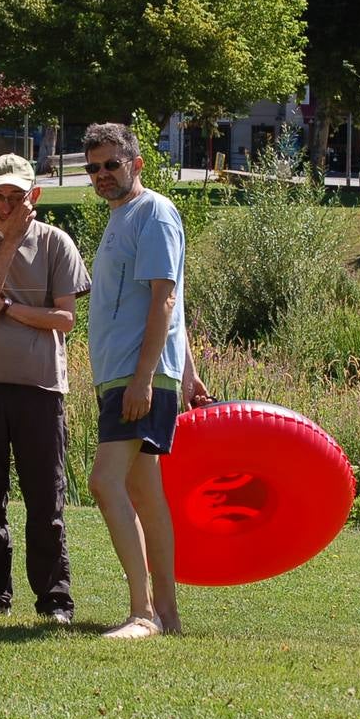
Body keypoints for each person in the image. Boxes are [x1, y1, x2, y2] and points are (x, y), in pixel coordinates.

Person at [82, 123, 208, 641]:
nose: (102, 175)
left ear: (136, 163)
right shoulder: (121, 217)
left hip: (138, 376)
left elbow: (165, 298)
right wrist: (191, 372)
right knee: (145, 494)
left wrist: (143, 380)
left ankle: (143, 613)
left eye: (111, 164)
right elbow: (169, 305)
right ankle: (168, 615)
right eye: (92, 168)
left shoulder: (153, 211)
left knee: (104, 482)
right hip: (126, 374)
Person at [0, 153, 90, 622]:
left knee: (45, 498)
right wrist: (8, 244)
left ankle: (54, 599)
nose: (5, 206)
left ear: (34, 196)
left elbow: (65, 319)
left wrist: (10, 310)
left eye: (15, 197)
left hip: (41, 387)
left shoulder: (57, 243)